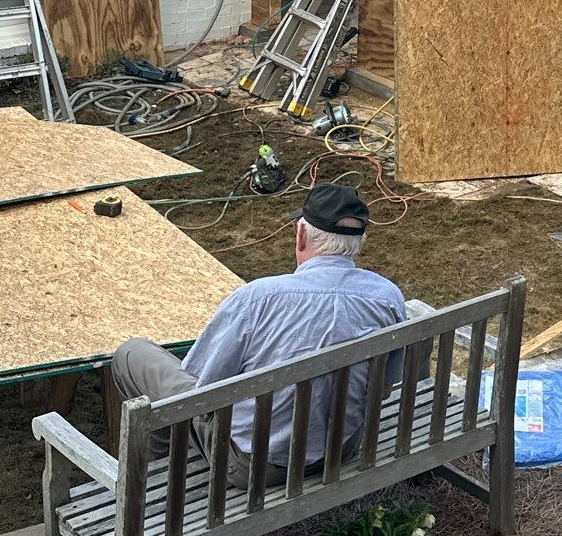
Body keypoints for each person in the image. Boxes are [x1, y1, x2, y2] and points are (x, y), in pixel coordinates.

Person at [111, 183, 409, 485]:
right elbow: (383, 390)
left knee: (132, 354)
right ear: (360, 241)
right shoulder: (387, 297)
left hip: (253, 466)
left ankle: (153, 480)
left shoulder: (258, 298)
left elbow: (203, 393)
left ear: (301, 235)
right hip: (341, 450)